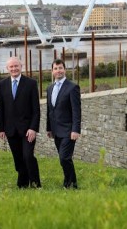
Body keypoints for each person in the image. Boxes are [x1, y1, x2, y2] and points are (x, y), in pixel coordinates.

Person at [0, 56, 41, 188]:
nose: (14, 68)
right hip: (10, 129)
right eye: (11, 66)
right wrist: (1, 129)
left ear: (21, 66)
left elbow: (36, 109)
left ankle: (35, 184)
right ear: (7, 68)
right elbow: (1, 108)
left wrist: (33, 128)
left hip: (28, 130)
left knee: (28, 156)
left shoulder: (31, 83)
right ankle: (22, 184)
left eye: (16, 66)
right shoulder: (2, 84)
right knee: (18, 158)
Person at [46, 59, 81, 189]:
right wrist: (49, 128)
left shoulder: (72, 87)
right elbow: (50, 110)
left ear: (65, 70)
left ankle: (72, 184)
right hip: (56, 131)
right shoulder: (49, 88)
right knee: (64, 158)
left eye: (60, 68)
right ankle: (68, 182)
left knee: (64, 158)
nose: (58, 71)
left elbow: (77, 111)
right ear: (52, 71)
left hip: (68, 130)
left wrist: (76, 130)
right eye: (56, 68)